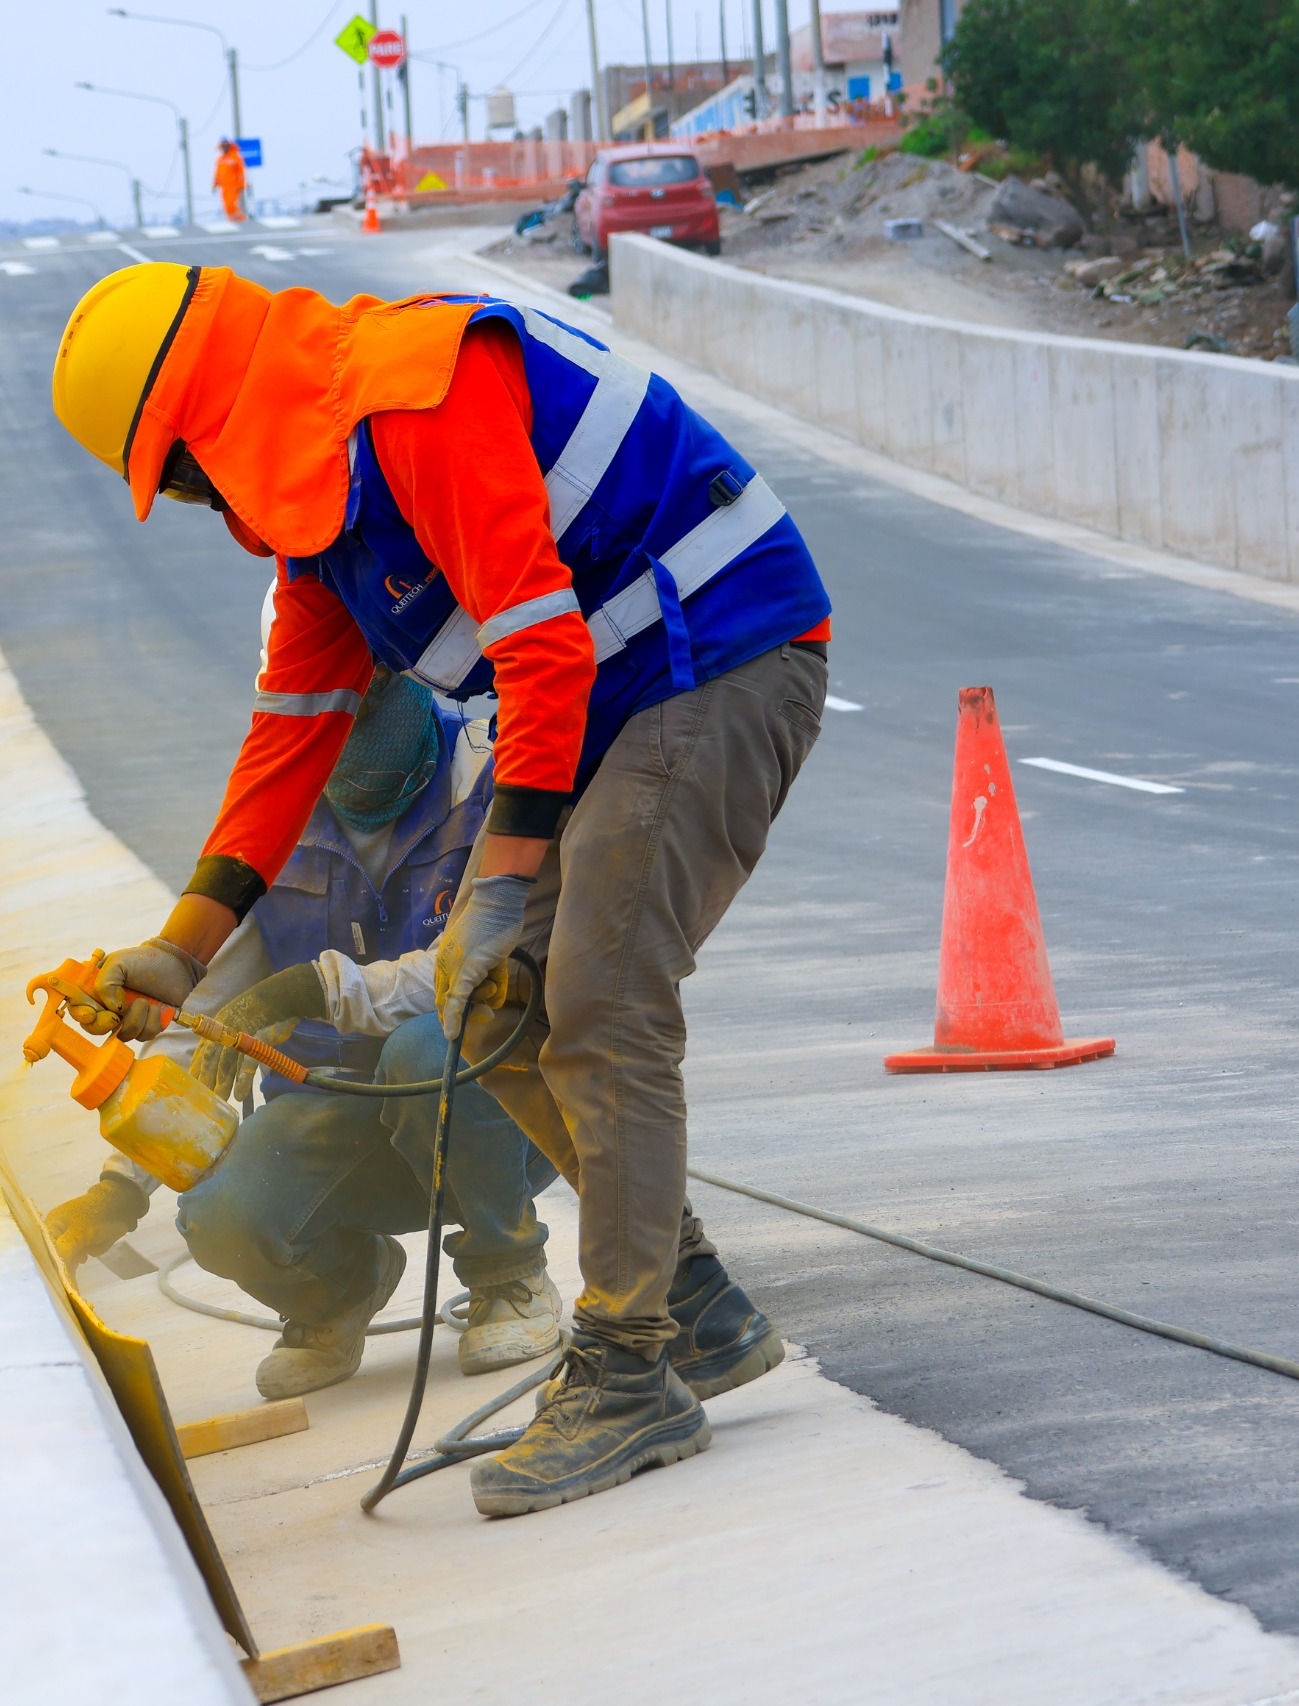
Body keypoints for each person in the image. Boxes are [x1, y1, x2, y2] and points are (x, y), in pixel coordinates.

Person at [45, 262, 829, 1516]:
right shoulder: (323, 531)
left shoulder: (414, 396)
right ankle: (693, 1302)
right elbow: (288, 738)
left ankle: (629, 1368)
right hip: (610, 703)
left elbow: (542, 647)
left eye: (184, 478)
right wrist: (178, 952)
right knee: (488, 1011)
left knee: (596, 995)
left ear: (216, 423)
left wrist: (495, 896)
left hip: (714, 658)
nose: (204, 508)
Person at [49, 668, 569, 1397]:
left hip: (495, 1113)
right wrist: (121, 1189)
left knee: (420, 1047)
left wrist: (318, 989)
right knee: (219, 1215)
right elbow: (201, 1015)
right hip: (341, 1116)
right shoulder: (272, 830)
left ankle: (510, 1273)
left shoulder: (488, 783)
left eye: (369, 695)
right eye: (328, 704)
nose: (350, 722)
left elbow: (474, 968)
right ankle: (339, 1292)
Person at [212, 138, 248, 223]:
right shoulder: (220, 159)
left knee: (231, 203)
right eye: (222, 146)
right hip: (224, 187)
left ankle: (242, 219)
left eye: (225, 146)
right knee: (226, 205)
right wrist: (215, 184)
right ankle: (232, 221)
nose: (224, 148)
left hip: (233, 186)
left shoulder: (235, 157)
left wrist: (242, 185)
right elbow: (217, 173)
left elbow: (241, 173)